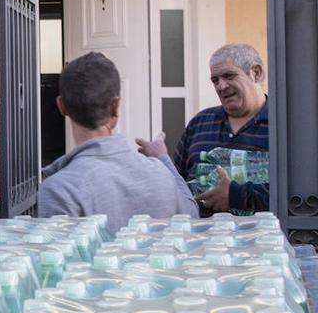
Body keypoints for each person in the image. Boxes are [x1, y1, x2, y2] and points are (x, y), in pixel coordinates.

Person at [37, 52, 197, 231]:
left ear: (61, 106)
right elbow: (192, 215)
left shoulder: (59, 190)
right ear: (116, 106)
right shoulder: (160, 172)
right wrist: (164, 159)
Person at [138, 43, 269, 214]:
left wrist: (236, 195)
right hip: (198, 238)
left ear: (256, 73)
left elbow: (299, 195)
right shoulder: (200, 124)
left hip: (262, 239)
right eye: (215, 80)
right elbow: (178, 186)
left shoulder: (283, 126)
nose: (221, 86)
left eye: (229, 76)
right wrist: (160, 161)